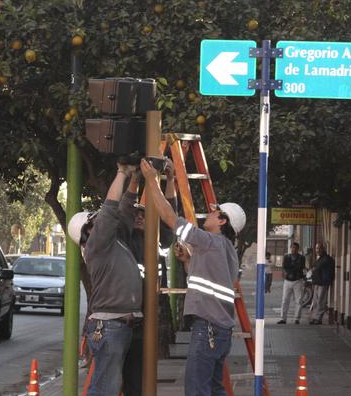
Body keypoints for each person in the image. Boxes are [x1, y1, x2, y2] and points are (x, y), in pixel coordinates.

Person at [140, 158, 245, 396]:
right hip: (221, 332)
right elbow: (208, 280)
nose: (208, 213)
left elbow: (169, 217)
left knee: (197, 389)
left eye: (214, 212)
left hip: (207, 329)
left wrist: (151, 180)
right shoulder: (226, 248)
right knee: (214, 389)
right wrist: (188, 261)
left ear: (222, 221)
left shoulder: (209, 241)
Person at [69, 162, 143, 396]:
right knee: (104, 390)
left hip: (121, 325)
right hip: (110, 326)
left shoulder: (114, 241)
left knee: (113, 387)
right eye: (96, 220)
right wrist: (121, 172)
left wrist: (135, 179)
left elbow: (126, 209)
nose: (101, 220)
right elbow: (111, 209)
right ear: (88, 230)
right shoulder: (97, 244)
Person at [118, 159, 177, 396]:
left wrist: (170, 180)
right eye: (137, 215)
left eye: (144, 214)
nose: (139, 217)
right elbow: (123, 210)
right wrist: (134, 180)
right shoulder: (124, 239)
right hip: (124, 316)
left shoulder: (157, 241)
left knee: (136, 378)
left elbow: (170, 215)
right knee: (114, 376)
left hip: (146, 317)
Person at [278, 242, 305, 325]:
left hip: (298, 280)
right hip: (288, 281)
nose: (294, 249)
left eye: (296, 248)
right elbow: (284, 267)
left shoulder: (302, 258)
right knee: (285, 299)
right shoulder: (286, 257)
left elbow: (301, 267)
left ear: (298, 249)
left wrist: (291, 269)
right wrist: (289, 271)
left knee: (299, 300)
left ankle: (297, 318)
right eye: (293, 248)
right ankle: (283, 318)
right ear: (290, 248)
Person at [310, 242, 335, 325]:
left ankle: (318, 318)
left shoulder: (327, 259)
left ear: (323, 249)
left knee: (321, 301)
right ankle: (315, 317)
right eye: (317, 248)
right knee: (316, 301)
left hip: (323, 283)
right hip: (317, 282)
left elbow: (321, 269)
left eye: (320, 248)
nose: (318, 250)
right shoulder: (319, 258)